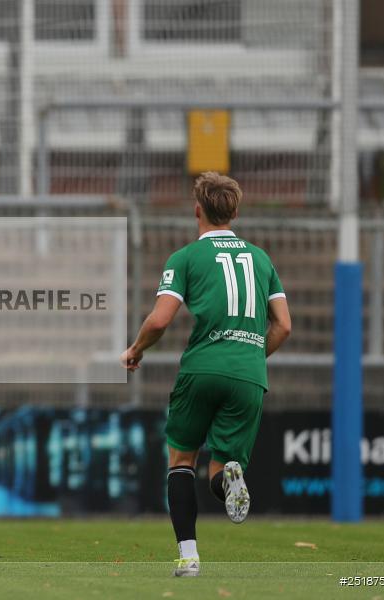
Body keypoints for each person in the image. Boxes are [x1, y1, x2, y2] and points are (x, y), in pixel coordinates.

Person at [120, 172, 291, 577]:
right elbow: (284, 325)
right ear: (235, 212)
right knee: (220, 468)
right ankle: (230, 478)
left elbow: (160, 320)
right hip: (249, 373)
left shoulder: (185, 258)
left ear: (197, 210)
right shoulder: (261, 259)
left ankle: (189, 557)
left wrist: (136, 349)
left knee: (181, 461)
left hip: (202, 368)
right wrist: (250, 356)